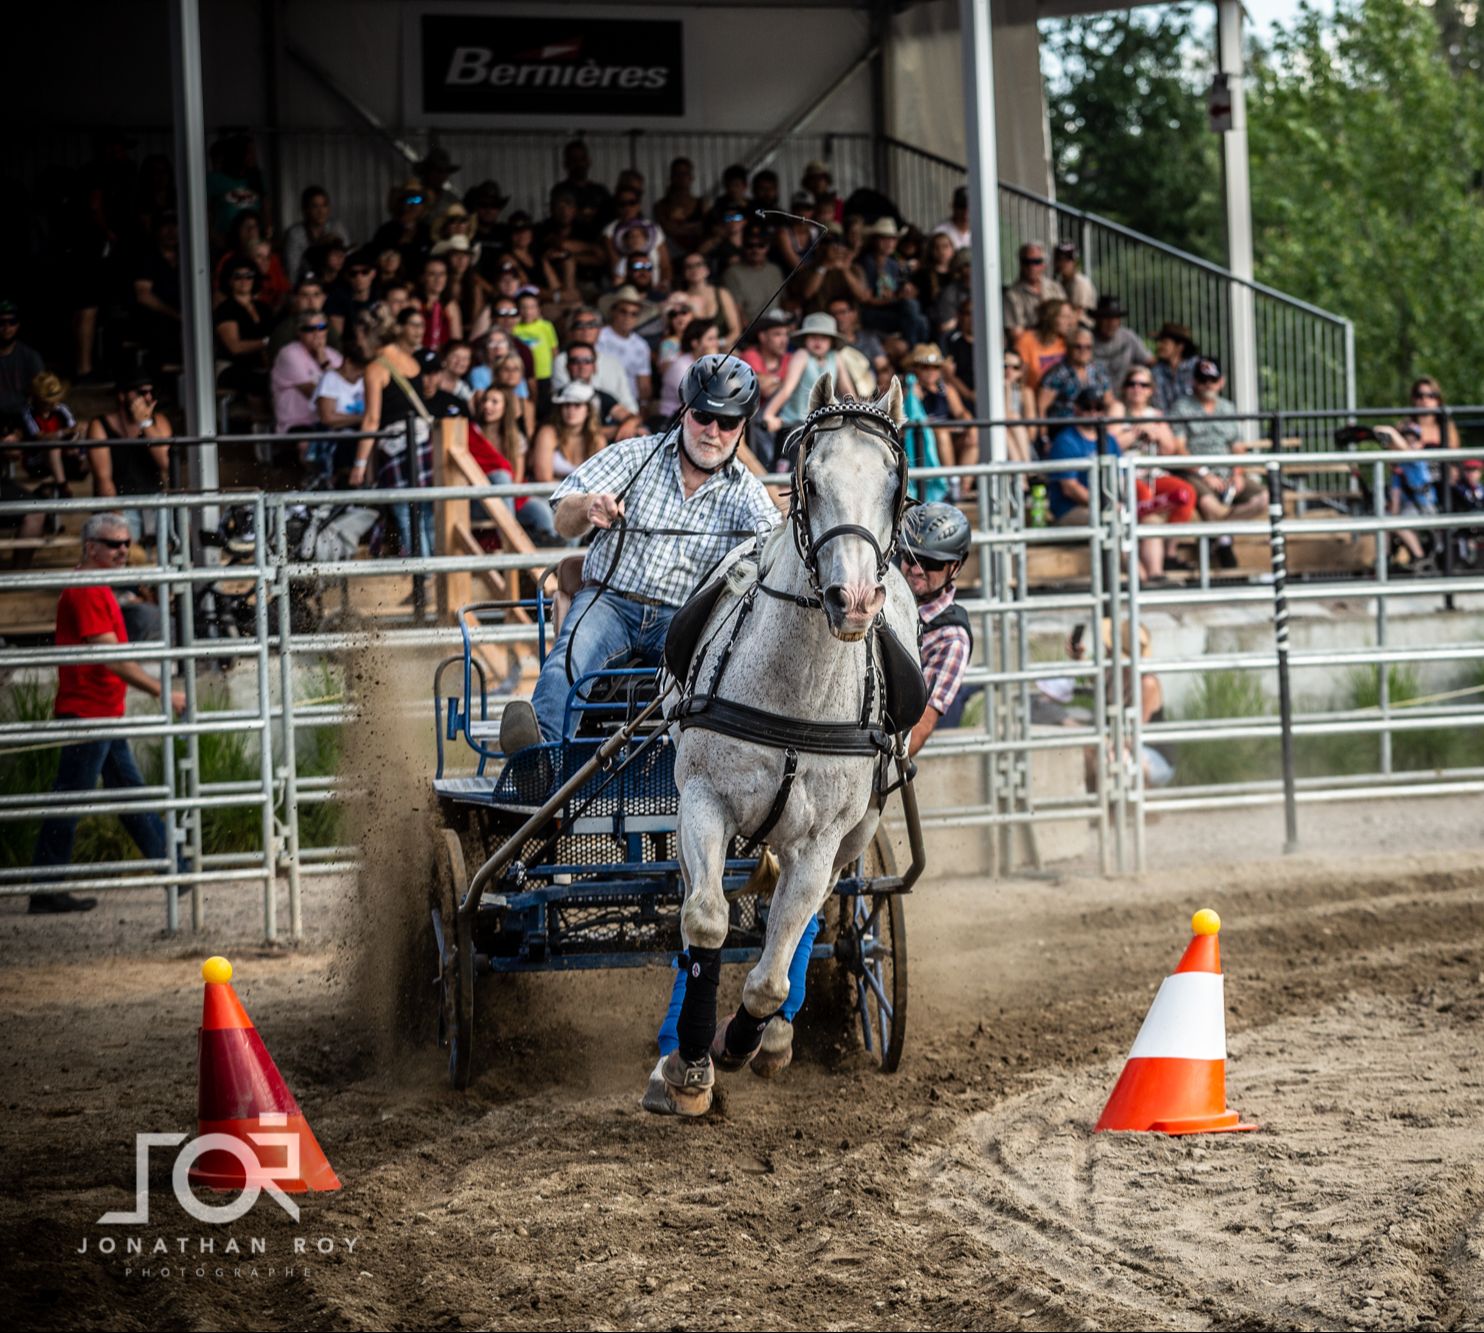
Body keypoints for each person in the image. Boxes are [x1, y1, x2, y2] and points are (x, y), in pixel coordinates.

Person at [652, 500, 968, 1078]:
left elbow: (915, 723)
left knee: (809, 901)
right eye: (912, 559)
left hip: (845, 762)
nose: (917, 572)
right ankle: (685, 1034)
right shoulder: (857, 581)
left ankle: (777, 1017)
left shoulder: (946, 634)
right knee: (706, 903)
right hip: (780, 728)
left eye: (931, 565)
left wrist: (865, 769)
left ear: (954, 570)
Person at [518, 355, 777, 745]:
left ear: (741, 427)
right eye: (703, 415)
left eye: (727, 423)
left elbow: (772, 544)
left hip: (684, 619)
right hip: (609, 602)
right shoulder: (634, 455)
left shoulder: (748, 492)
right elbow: (562, 517)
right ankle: (539, 758)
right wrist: (589, 506)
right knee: (567, 663)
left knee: (723, 679)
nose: (712, 431)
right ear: (684, 410)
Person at [27, 512, 187, 914]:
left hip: (98, 711)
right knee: (72, 799)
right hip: (88, 712)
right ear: (90, 547)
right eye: (113, 544)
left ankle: (176, 866)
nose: (122, 550)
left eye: (125, 542)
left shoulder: (96, 587)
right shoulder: (87, 590)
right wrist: (159, 690)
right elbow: (110, 656)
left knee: (123, 794)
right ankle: (46, 887)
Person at [1047, 388, 1167, 580]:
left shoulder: (1109, 440)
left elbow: (1120, 478)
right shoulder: (1065, 441)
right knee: (1113, 521)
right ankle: (1139, 580)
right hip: (1070, 510)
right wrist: (1108, 505)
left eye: (1099, 408)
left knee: (1151, 521)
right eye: (1088, 408)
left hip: (1109, 505)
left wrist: (1129, 505)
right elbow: (1070, 489)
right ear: (1076, 409)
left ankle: (1156, 576)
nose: (1093, 413)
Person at [353, 307, 436, 560]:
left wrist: (359, 464)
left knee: (407, 513)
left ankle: (424, 576)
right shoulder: (411, 361)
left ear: (368, 335)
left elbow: (372, 419)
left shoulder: (376, 368)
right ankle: (436, 576)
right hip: (424, 443)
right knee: (427, 514)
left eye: (358, 336)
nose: (357, 343)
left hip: (398, 448)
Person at [1169, 357, 1265, 569]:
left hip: (1228, 472)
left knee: (1266, 498)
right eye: (1202, 380)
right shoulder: (1181, 407)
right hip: (1195, 473)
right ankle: (1224, 540)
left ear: (1221, 382)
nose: (1207, 385)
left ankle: (1220, 535)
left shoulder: (1228, 408)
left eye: (1212, 380)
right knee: (1211, 506)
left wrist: (1237, 474)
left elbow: (1238, 448)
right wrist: (1204, 473)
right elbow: (1179, 449)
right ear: (1194, 381)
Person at [86, 375, 172, 543]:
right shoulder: (100, 425)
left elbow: (165, 462)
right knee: (120, 536)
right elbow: (103, 479)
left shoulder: (158, 421)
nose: (148, 397)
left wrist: (146, 424)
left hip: (154, 500)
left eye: (150, 392)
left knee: (182, 527)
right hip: (119, 503)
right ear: (122, 396)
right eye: (141, 392)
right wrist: (118, 520)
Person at [759, 313, 860, 453]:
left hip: (824, 426)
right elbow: (787, 389)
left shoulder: (835, 357)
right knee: (791, 469)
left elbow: (848, 391)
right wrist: (769, 415)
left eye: (823, 338)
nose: (818, 342)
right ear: (805, 339)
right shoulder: (802, 355)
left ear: (831, 341)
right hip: (796, 426)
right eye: (813, 337)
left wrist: (857, 413)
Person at [271, 310, 343, 448]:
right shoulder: (289, 353)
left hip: (329, 421)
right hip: (298, 423)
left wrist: (324, 360)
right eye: (310, 329)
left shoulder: (332, 355)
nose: (317, 333)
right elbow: (315, 394)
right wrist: (324, 364)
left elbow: (346, 387)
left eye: (321, 327)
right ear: (299, 332)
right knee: (307, 445)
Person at [855, 218, 928, 345]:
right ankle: (913, 349)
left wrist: (907, 291)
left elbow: (898, 290)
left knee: (921, 320)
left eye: (893, 239)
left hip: (892, 311)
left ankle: (919, 351)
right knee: (911, 308)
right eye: (884, 239)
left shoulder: (893, 264)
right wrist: (896, 299)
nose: (889, 243)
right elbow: (867, 299)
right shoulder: (866, 263)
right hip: (872, 313)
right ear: (875, 240)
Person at [907, 343, 976, 474]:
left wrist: (970, 426)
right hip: (924, 439)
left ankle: (961, 487)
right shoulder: (909, 391)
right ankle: (949, 482)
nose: (931, 371)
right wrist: (913, 395)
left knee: (973, 442)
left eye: (936, 367)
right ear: (915, 369)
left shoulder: (947, 389)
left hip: (948, 434)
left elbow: (961, 412)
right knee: (942, 434)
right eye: (926, 367)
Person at [213, 260, 272, 398]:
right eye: (238, 276)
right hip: (230, 367)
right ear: (229, 281)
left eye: (248, 276)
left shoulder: (263, 308)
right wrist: (265, 343)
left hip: (260, 364)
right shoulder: (226, 309)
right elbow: (235, 347)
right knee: (259, 381)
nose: (244, 280)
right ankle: (257, 418)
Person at [597, 287, 658, 408]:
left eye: (633, 314)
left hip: (629, 404)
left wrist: (643, 407)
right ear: (613, 311)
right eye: (623, 311)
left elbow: (644, 384)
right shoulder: (598, 336)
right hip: (600, 400)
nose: (628, 317)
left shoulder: (641, 345)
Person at [1038, 328, 1112, 420]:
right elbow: (1042, 407)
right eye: (1078, 346)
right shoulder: (1056, 373)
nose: (1083, 351)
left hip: (1094, 423)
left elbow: (1109, 402)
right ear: (1068, 348)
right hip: (1066, 426)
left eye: (1088, 347)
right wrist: (1043, 434)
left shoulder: (1099, 371)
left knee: (1118, 407)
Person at [721, 227, 785, 328]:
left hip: (776, 324)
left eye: (761, 245)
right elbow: (736, 311)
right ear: (743, 247)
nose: (755, 250)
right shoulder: (732, 273)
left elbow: (783, 301)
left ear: (767, 247)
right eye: (750, 246)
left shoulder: (775, 270)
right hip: (752, 328)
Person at [282, 186, 349, 281]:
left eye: (324, 205)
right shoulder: (295, 233)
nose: (321, 211)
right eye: (315, 206)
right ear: (306, 209)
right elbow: (292, 271)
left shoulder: (337, 227)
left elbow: (348, 258)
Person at [1002, 242, 1066, 340]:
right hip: (1032, 347)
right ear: (1021, 264)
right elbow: (1016, 334)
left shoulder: (1055, 287)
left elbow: (1067, 319)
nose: (1032, 267)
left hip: (1059, 343)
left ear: (1044, 264)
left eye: (1036, 262)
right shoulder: (1012, 295)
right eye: (1027, 262)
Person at [677, 252, 741, 347]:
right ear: (684, 273)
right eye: (689, 266)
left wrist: (718, 344)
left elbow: (735, 330)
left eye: (698, 265)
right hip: (692, 351)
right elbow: (677, 333)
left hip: (722, 348)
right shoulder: (679, 298)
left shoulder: (722, 293)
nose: (694, 269)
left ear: (707, 269)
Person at [1015, 298, 1077, 394]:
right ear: (1050, 318)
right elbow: (1021, 380)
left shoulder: (1068, 342)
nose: (1069, 322)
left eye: (1070, 317)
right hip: (1033, 397)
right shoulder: (1027, 341)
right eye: (1064, 317)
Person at [1090, 295, 1152, 389]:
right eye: (1107, 318)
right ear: (1097, 319)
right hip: (1094, 397)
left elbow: (1148, 361)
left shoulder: (1128, 337)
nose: (1111, 323)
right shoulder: (1086, 340)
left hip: (1125, 397)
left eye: (1115, 318)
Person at [0, 301, 45, 417]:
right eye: (1, 322)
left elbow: (42, 392)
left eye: (12, 322)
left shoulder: (31, 357)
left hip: (25, 416)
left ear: (19, 324)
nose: (7, 327)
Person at [1151, 322, 1199, 412]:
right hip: (1164, 423)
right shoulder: (1156, 370)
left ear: (1179, 346)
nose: (1159, 345)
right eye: (1159, 342)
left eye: (1164, 342)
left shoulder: (1197, 367)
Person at [1052, 240, 1098, 322]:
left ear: (1075, 261)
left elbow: (1078, 313)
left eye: (1068, 259)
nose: (1063, 263)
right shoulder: (1060, 281)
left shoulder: (1079, 282)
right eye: (1059, 259)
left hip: (1082, 327)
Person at [931, 185, 971, 252]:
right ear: (952, 206)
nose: (965, 212)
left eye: (969, 208)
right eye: (961, 207)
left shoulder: (983, 231)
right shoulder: (940, 231)